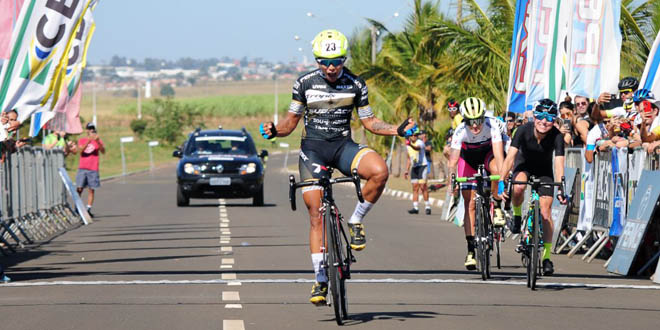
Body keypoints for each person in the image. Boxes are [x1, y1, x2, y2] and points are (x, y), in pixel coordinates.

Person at [258, 29, 416, 305]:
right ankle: (319, 279)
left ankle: (356, 220)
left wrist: (396, 130)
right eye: (324, 62)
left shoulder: (356, 84)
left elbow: (370, 123)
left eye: (337, 62)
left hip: (343, 147)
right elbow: (290, 123)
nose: (331, 68)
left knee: (380, 171)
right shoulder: (304, 83)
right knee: (316, 213)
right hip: (313, 150)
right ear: (317, 60)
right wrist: (275, 131)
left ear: (344, 59)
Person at [500, 98, 567, 276]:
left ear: (554, 120)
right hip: (524, 166)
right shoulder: (522, 130)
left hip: (544, 171)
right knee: (519, 187)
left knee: (545, 213)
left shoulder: (557, 136)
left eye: (550, 118)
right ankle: (516, 215)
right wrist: (502, 181)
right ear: (534, 116)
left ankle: (546, 258)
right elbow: (510, 158)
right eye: (540, 116)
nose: (544, 122)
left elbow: (559, 163)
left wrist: (561, 187)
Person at [446, 97, 506, 270]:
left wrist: (501, 180)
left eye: (478, 121)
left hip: (488, 155)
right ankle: (471, 249)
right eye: (471, 122)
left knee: (496, 169)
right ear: (465, 120)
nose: (475, 126)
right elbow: (453, 161)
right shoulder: (460, 131)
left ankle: (498, 207)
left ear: (483, 117)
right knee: (470, 203)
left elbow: (499, 155)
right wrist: (452, 180)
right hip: (468, 160)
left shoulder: (492, 125)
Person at [73, 123, 105, 217]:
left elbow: (103, 151)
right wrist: (88, 141)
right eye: (89, 129)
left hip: (93, 168)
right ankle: (77, 208)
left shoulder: (97, 141)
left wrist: (98, 141)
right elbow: (81, 151)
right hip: (83, 167)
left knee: (91, 189)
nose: (91, 131)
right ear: (86, 130)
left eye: (92, 129)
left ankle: (88, 208)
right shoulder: (82, 140)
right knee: (79, 188)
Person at [405, 132, 431, 215]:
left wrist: (410, 145)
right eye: (412, 135)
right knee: (415, 187)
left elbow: (417, 148)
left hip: (422, 166)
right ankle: (415, 207)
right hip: (415, 167)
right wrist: (406, 170)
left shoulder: (420, 142)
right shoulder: (407, 146)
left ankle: (427, 206)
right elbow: (409, 158)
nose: (414, 137)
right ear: (409, 137)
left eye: (415, 135)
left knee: (423, 186)